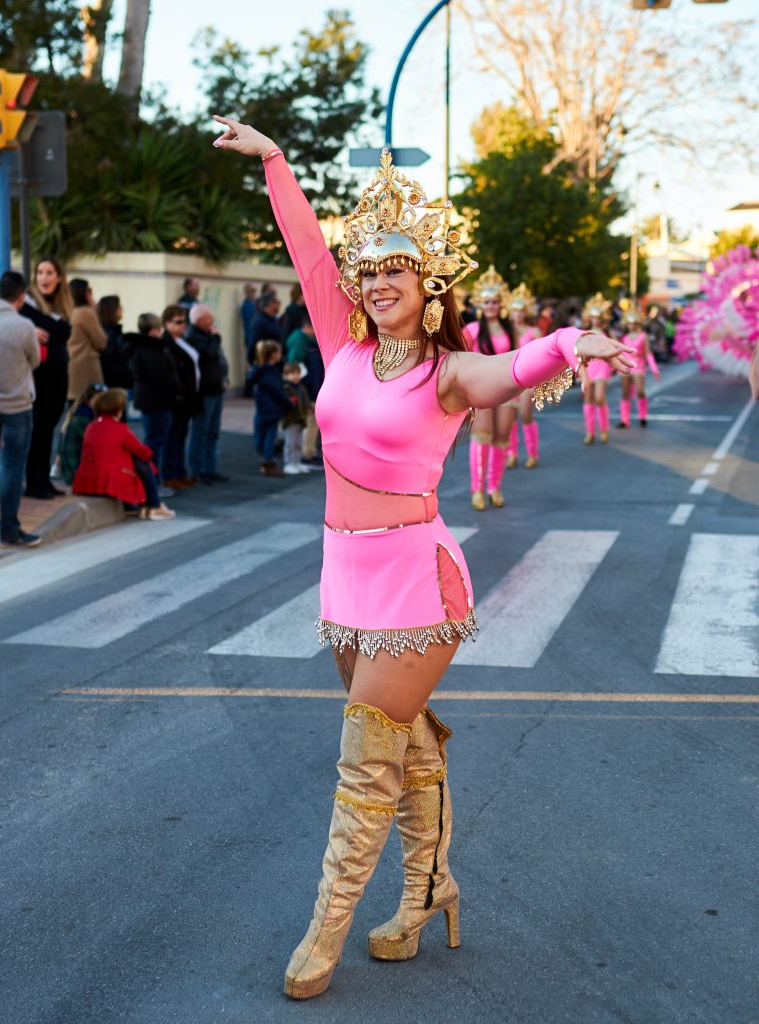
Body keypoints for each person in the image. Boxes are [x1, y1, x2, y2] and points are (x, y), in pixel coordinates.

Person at [213, 116, 633, 1001]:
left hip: (415, 579)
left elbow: (507, 372)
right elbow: (306, 252)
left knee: (365, 759)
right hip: (344, 575)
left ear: (428, 282)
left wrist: (565, 346)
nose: (376, 282)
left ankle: (325, 930)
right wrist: (278, 162)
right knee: (400, 744)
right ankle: (431, 887)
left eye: (395, 268)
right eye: (369, 271)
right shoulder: (343, 344)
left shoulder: (446, 370)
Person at [0, 271, 42, 546]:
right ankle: (9, 531)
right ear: (21, 296)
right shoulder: (24, 326)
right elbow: (34, 361)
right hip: (17, 406)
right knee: (12, 467)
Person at [73, 388, 174, 520]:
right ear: (118, 411)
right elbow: (146, 454)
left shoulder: (91, 427)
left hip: (87, 478)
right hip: (109, 479)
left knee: (134, 459)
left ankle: (149, 506)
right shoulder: (120, 429)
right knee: (142, 462)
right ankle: (154, 506)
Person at [461, 265, 515, 510]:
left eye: (494, 301)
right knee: (482, 437)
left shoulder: (509, 329)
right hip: (480, 390)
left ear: (500, 303)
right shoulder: (471, 330)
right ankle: (477, 490)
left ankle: (495, 487)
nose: (491, 306)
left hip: (506, 389)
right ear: (480, 304)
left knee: (502, 438)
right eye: (486, 302)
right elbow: (458, 358)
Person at [20, 256, 71, 499]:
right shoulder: (27, 307)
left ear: (59, 277)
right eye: (40, 272)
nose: (44, 278)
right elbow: (58, 332)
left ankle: (43, 480)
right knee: (37, 431)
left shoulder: (61, 308)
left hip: (58, 378)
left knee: (48, 430)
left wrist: (52, 329)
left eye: (49, 273)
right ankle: (34, 482)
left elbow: (60, 334)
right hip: (37, 378)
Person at [129, 312, 184, 499]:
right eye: (159, 328)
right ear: (153, 330)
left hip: (153, 399)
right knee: (155, 443)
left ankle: (153, 481)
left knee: (155, 441)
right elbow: (161, 376)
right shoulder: (150, 350)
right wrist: (177, 389)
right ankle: (152, 483)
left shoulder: (145, 348)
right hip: (156, 400)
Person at [185, 303, 230, 483]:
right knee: (200, 432)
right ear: (200, 320)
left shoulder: (205, 335)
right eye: (209, 318)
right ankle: (197, 470)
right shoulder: (194, 337)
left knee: (212, 431)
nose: (212, 321)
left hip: (215, 389)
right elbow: (209, 354)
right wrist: (216, 338)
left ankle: (210, 468)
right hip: (205, 391)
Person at [161, 304, 201, 488]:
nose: (183, 326)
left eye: (184, 322)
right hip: (177, 398)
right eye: (178, 322)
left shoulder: (183, 340)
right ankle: (170, 473)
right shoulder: (166, 343)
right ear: (167, 323)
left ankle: (179, 471)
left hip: (189, 396)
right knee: (173, 437)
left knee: (181, 435)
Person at [506, 282, 542, 469]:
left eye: (521, 310)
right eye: (514, 310)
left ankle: (532, 453)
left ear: (526, 312)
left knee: (526, 414)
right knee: (510, 417)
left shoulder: (534, 331)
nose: (518, 314)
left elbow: (542, 356)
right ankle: (512, 453)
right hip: (508, 378)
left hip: (529, 379)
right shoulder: (505, 331)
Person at [247, 339, 293, 476]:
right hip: (271, 409)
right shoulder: (270, 373)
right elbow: (277, 392)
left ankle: (263, 457)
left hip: (262, 408)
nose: (281, 355)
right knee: (270, 436)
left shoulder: (260, 370)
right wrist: (289, 404)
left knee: (261, 433)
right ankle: (268, 462)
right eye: (279, 352)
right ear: (273, 355)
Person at [285, 312, 324, 467]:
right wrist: (305, 386)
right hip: (308, 389)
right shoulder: (301, 341)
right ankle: (306, 454)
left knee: (311, 421)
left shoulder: (305, 340)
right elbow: (295, 365)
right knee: (310, 421)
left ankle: (308, 452)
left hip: (311, 387)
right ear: (308, 326)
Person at [58, 382, 108, 486]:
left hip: (74, 470)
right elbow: (98, 444)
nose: (103, 403)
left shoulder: (84, 413)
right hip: (75, 473)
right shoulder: (83, 417)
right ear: (90, 399)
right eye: (99, 399)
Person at [67, 279, 108, 404]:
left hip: (71, 365)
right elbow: (101, 341)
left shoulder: (68, 312)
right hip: (86, 369)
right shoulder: (86, 313)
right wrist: (94, 310)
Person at [618, 308, 660, 428]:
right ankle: (624, 420)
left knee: (640, 392)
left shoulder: (643, 336)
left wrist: (654, 368)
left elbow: (648, 353)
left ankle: (643, 416)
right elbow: (622, 353)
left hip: (639, 367)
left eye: (633, 323)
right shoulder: (625, 337)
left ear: (637, 324)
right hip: (626, 367)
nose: (630, 326)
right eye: (629, 323)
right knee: (625, 393)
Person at [580, 293, 613, 445]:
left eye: (598, 317)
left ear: (602, 318)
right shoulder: (584, 334)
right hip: (589, 368)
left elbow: (612, 351)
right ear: (589, 318)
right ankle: (590, 432)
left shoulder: (607, 334)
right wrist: (579, 372)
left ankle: (604, 429)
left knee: (599, 398)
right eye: (593, 317)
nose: (596, 320)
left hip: (602, 368)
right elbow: (580, 353)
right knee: (588, 399)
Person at [98, 295, 133, 390]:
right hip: (115, 384)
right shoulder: (106, 332)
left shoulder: (114, 331)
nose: (122, 310)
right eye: (119, 307)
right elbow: (110, 359)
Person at [281, 361, 310, 474]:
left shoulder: (301, 388)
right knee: (290, 442)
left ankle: (296, 462)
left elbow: (305, 400)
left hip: (300, 419)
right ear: (286, 375)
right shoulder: (286, 388)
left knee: (298, 443)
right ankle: (289, 463)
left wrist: (308, 409)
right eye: (291, 374)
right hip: (290, 420)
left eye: (296, 373)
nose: (294, 376)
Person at [247, 292, 282, 363]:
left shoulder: (273, 319)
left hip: (275, 362)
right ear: (270, 304)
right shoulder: (259, 321)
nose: (279, 304)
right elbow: (254, 343)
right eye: (277, 302)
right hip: (264, 363)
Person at [241, 282, 257, 350]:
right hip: (252, 340)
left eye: (254, 291)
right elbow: (248, 326)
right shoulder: (246, 306)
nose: (253, 293)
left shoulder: (254, 304)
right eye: (251, 291)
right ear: (246, 292)